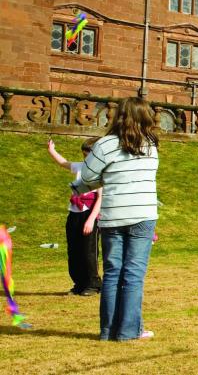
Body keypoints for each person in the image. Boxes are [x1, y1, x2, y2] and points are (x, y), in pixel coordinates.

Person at [71, 97, 159, 341]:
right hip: (143, 214)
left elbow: (88, 175)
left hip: (114, 215)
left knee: (113, 272)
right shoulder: (151, 145)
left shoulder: (105, 145)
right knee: (133, 274)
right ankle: (129, 331)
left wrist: (102, 179)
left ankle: (108, 331)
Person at [47, 137, 103, 296]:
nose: (85, 158)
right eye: (84, 155)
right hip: (74, 213)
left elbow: (100, 197)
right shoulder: (79, 167)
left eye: (88, 155)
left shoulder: (100, 172)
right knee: (74, 250)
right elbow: (63, 163)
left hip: (89, 214)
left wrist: (91, 219)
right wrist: (52, 151)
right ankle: (79, 283)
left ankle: (93, 284)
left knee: (88, 251)